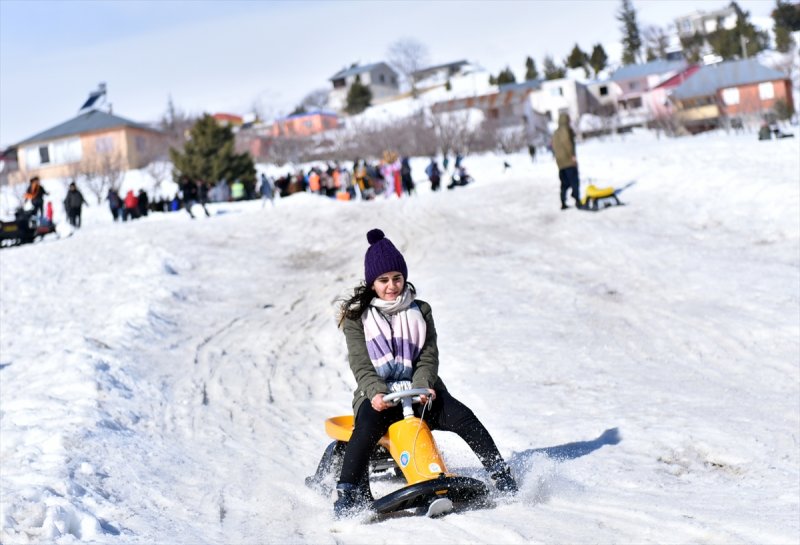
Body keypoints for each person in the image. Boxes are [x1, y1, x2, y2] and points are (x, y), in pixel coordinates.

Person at [333, 229, 518, 518]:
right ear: (372, 283)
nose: (392, 286)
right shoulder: (358, 319)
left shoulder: (421, 310)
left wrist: (422, 385)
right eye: (383, 280)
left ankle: (500, 473)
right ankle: (346, 494)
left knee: (462, 416)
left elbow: (428, 355)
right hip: (379, 395)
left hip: (420, 390)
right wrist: (376, 393)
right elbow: (361, 364)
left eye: (397, 278)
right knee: (366, 428)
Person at [552, 112, 581, 210]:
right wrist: (572, 155)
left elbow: (554, 147)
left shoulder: (555, 133)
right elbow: (567, 143)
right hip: (568, 161)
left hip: (560, 162)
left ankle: (563, 202)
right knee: (574, 181)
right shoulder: (566, 130)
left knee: (564, 183)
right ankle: (577, 200)